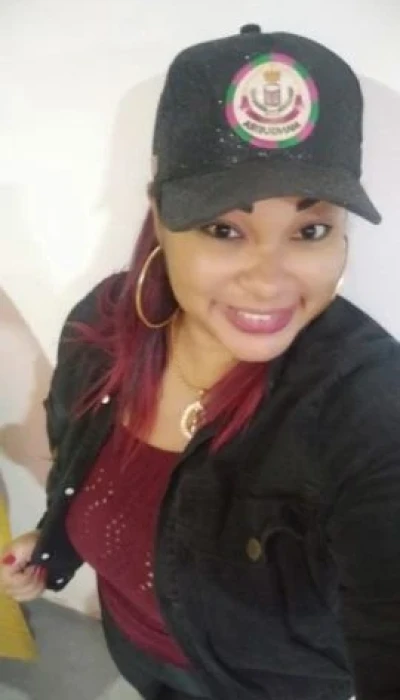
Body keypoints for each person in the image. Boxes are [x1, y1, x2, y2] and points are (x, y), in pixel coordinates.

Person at [1, 23, 399, 700]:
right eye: (224, 229)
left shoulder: (369, 409)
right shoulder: (101, 326)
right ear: (159, 217)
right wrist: (52, 541)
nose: (268, 281)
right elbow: (81, 464)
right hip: (136, 657)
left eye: (310, 230)